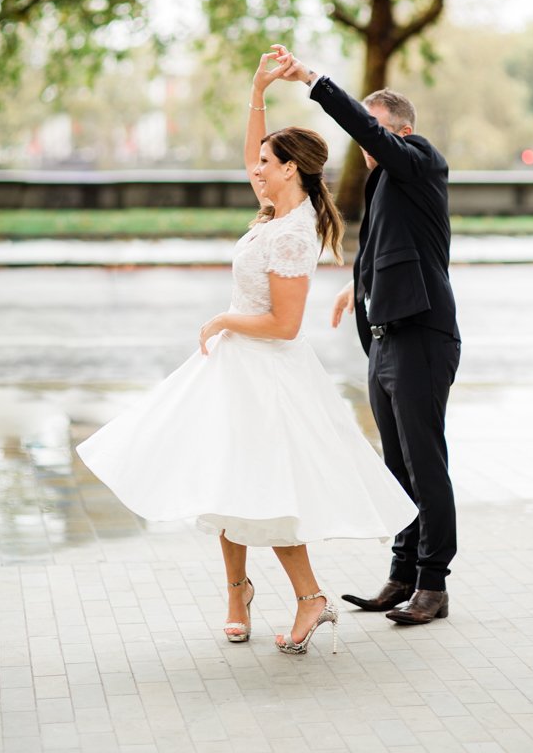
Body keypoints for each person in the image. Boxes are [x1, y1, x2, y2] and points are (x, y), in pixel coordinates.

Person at [76, 51, 418, 655]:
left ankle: (311, 597)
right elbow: (253, 153)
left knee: (263, 490)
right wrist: (258, 90)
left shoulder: (293, 231)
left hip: (266, 373)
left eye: (266, 162)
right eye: (258, 161)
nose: (254, 168)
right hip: (234, 368)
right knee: (222, 479)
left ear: (290, 171)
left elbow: (284, 325)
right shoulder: (273, 209)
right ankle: (238, 591)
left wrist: (222, 318)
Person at [273, 45, 461, 625]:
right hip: (385, 336)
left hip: (423, 335)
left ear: (402, 132)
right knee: (397, 465)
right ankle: (401, 576)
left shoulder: (420, 161)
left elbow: (370, 132)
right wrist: (357, 287)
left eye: (376, 131)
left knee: (426, 463)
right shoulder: (386, 188)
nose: (367, 143)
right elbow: (385, 249)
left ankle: (434, 584)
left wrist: (314, 80)